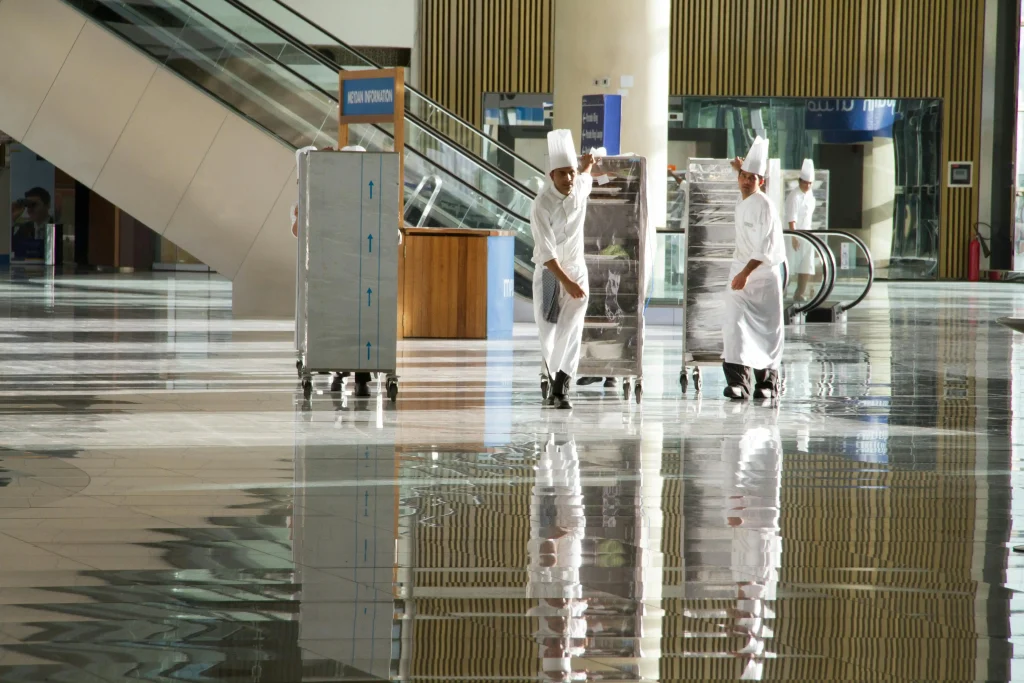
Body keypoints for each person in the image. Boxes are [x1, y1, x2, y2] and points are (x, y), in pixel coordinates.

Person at [293, 144, 374, 398]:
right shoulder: (322, 196)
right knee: (342, 322)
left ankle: (359, 376)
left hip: (357, 270)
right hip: (332, 271)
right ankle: (342, 371)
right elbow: (302, 232)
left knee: (358, 322)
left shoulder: (365, 194)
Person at [531, 130, 596, 410]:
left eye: (571, 173)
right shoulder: (541, 205)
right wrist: (565, 282)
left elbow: (587, 176)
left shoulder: (579, 187)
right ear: (551, 176)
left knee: (572, 326)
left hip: (577, 270)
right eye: (563, 174)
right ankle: (551, 377)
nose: (569, 179)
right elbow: (546, 253)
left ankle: (561, 387)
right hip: (551, 273)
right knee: (548, 333)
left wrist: (587, 165)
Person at [722, 136, 786, 401]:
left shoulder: (764, 206)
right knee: (734, 327)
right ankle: (738, 383)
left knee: (766, 332)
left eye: (753, 178)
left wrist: (745, 273)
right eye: (744, 176)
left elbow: (766, 247)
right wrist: (739, 167)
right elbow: (742, 173)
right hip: (740, 273)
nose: (747, 181)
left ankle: (768, 383)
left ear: (762, 181)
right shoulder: (743, 199)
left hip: (761, 277)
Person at [783, 159, 817, 302]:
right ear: (799, 181)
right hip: (795, 234)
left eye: (810, 183)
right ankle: (782, 291)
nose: (807, 185)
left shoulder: (810, 195)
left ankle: (799, 293)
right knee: (790, 265)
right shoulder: (794, 196)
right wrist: (794, 237)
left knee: (807, 265)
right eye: (805, 183)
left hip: (807, 234)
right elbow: (792, 218)